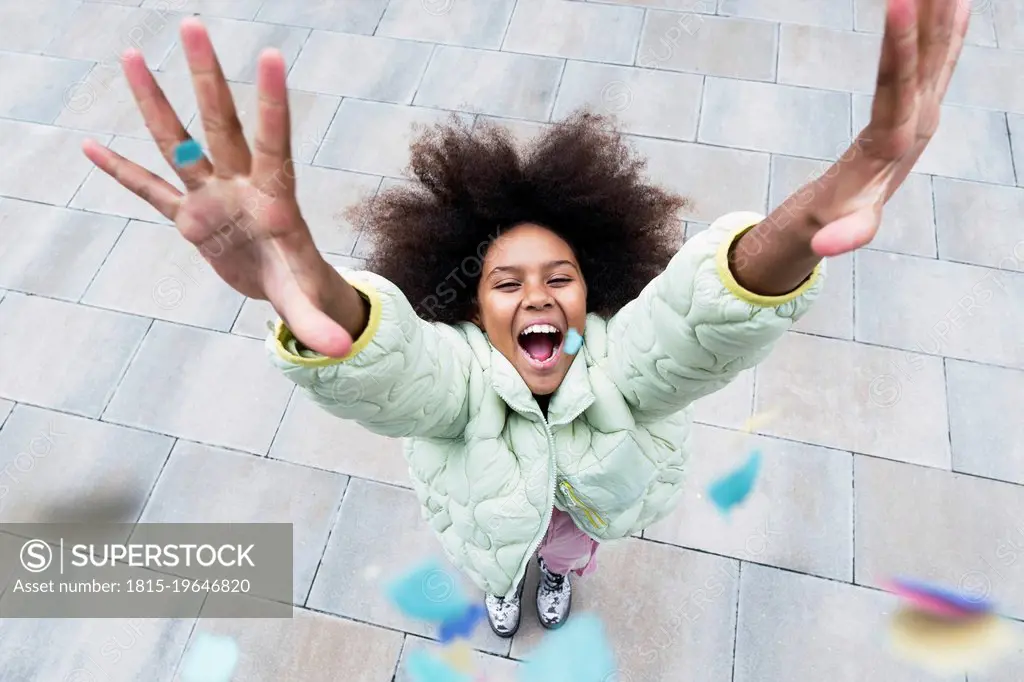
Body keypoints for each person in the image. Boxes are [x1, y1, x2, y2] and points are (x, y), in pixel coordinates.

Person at [81, 0, 970, 637]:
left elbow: (695, 322)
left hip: (585, 517)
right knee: (497, 560)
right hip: (486, 520)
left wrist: (804, 223)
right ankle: (507, 583)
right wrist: (304, 277)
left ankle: (553, 573)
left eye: (562, 277)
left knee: (569, 555)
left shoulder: (621, 359)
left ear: (596, 292)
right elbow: (396, 368)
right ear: (466, 303)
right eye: (505, 283)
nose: (538, 296)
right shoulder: (457, 377)